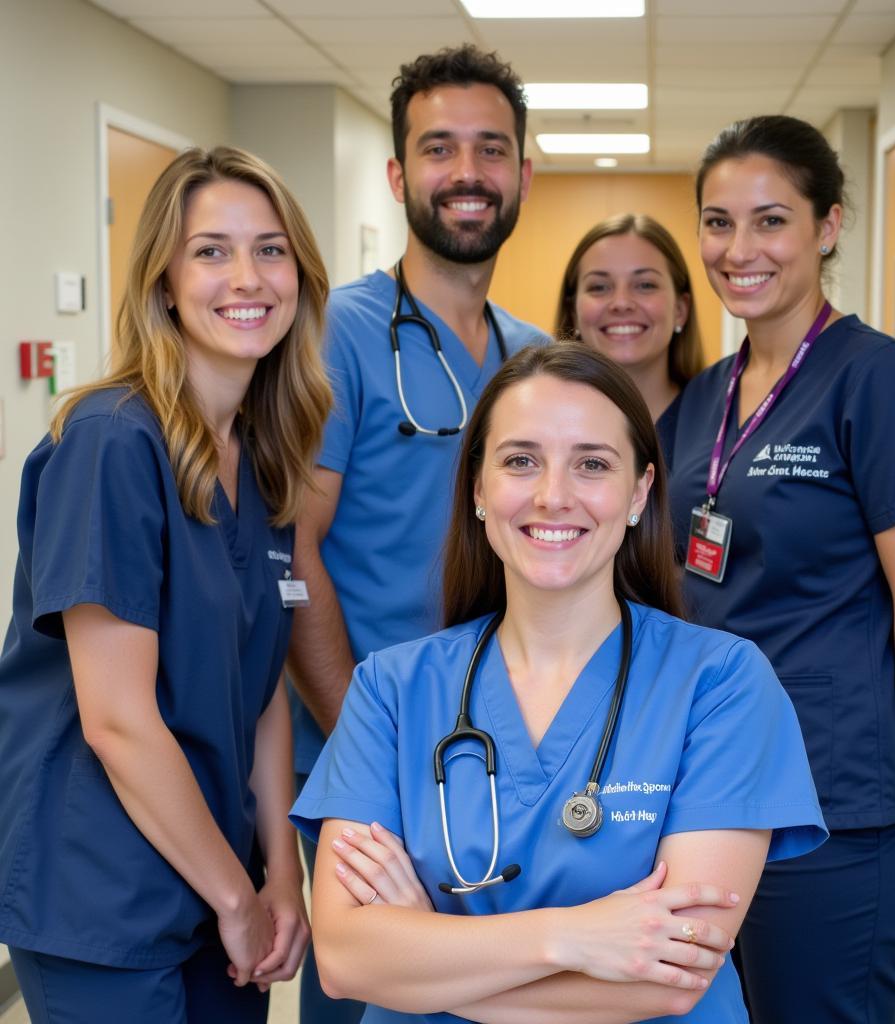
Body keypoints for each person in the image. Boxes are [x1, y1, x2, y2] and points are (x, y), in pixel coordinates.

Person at [290, 343, 828, 1023]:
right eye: (520, 461)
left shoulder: (720, 684)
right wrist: (573, 937)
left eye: (592, 465)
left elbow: (673, 977)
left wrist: (430, 949)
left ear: (638, 493)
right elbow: (345, 960)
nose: (552, 496)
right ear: (478, 490)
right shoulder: (392, 691)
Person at [0, 146, 332, 1021]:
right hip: (103, 894)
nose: (247, 276)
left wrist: (282, 875)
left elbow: (259, 690)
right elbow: (117, 721)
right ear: (164, 281)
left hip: (215, 876)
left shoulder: (263, 457)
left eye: (270, 249)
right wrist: (237, 898)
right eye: (211, 250)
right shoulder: (109, 442)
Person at [669, 115, 895, 1023]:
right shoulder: (705, 396)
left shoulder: (878, 381)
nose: (740, 249)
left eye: (771, 220)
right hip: (716, 792)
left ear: (829, 226)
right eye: (718, 222)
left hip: (839, 802)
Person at [286, 44, 548, 1022]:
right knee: (372, 996)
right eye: (440, 148)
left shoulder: (532, 355)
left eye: (490, 148)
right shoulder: (338, 335)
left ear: (523, 172)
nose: (468, 172)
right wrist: (367, 749)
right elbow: (293, 554)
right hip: (371, 764)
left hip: (502, 756)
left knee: (488, 994)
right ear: (400, 176)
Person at [555, 213, 703, 469]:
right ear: (573, 313)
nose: (621, 303)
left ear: (681, 308)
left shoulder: (716, 421)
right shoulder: (544, 420)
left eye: (645, 285)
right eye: (599, 287)